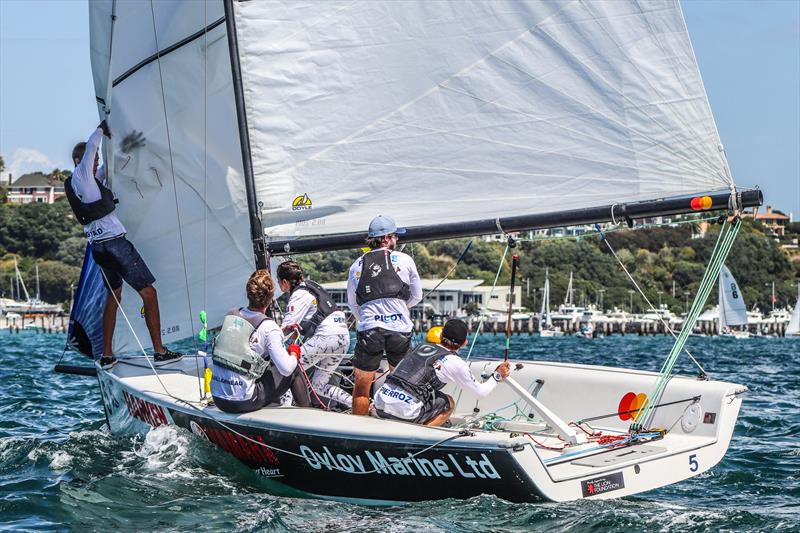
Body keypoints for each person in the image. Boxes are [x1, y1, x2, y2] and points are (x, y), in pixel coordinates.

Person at [65, 121, 181, 369]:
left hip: (100, 249)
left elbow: (109, 167)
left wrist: (126, 146)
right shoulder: (81, 174)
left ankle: (107, 354)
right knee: (149, 293)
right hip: (115, 245)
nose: (94, 162)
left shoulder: (85, 182)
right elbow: (91, 153)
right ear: (79, 160)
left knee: (113, 296)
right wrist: (100, 129)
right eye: (91, 159)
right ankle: (160, 351)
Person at [346, 215, 422, 416]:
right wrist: (399, 308)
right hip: (400, 329)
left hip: (370, 328)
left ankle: (358, 430)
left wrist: (369, 320)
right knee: (402, 384)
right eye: (396, 236)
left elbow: (354, 304)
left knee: (362, 385)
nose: (397, 239)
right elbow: (417, 296)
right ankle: (397, 425)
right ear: (387, 238)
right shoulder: (405, 259)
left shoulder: (356, 265)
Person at [374, 319, 510, 426]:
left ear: (441, 335)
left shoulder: (420, 347)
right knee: (448, 403)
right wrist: (497, 375)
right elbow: (480, 393)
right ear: (464, 343)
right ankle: (423, 437)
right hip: (405, 412)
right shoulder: (457, 363)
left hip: (380, 404)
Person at [211, 270, 311, 413]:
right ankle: (307, 418)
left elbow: (246, 342)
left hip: (219, 399)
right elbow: (286, 369)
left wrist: (281, 333)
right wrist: (294, 352)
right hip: (243, 402)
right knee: (293, 369)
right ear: (271, 298)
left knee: (267, 363)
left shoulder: (231, 316)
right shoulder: (269, 327)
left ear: (248, 294)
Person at [276, 260, 352, 409]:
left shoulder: (299, 294)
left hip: (326, 338)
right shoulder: (312, 286)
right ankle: (356, 404)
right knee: (319, 385)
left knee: (287, 368)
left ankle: (285, 410)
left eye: (279, 282)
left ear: (284, 281)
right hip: (343, 339)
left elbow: (286, 327)